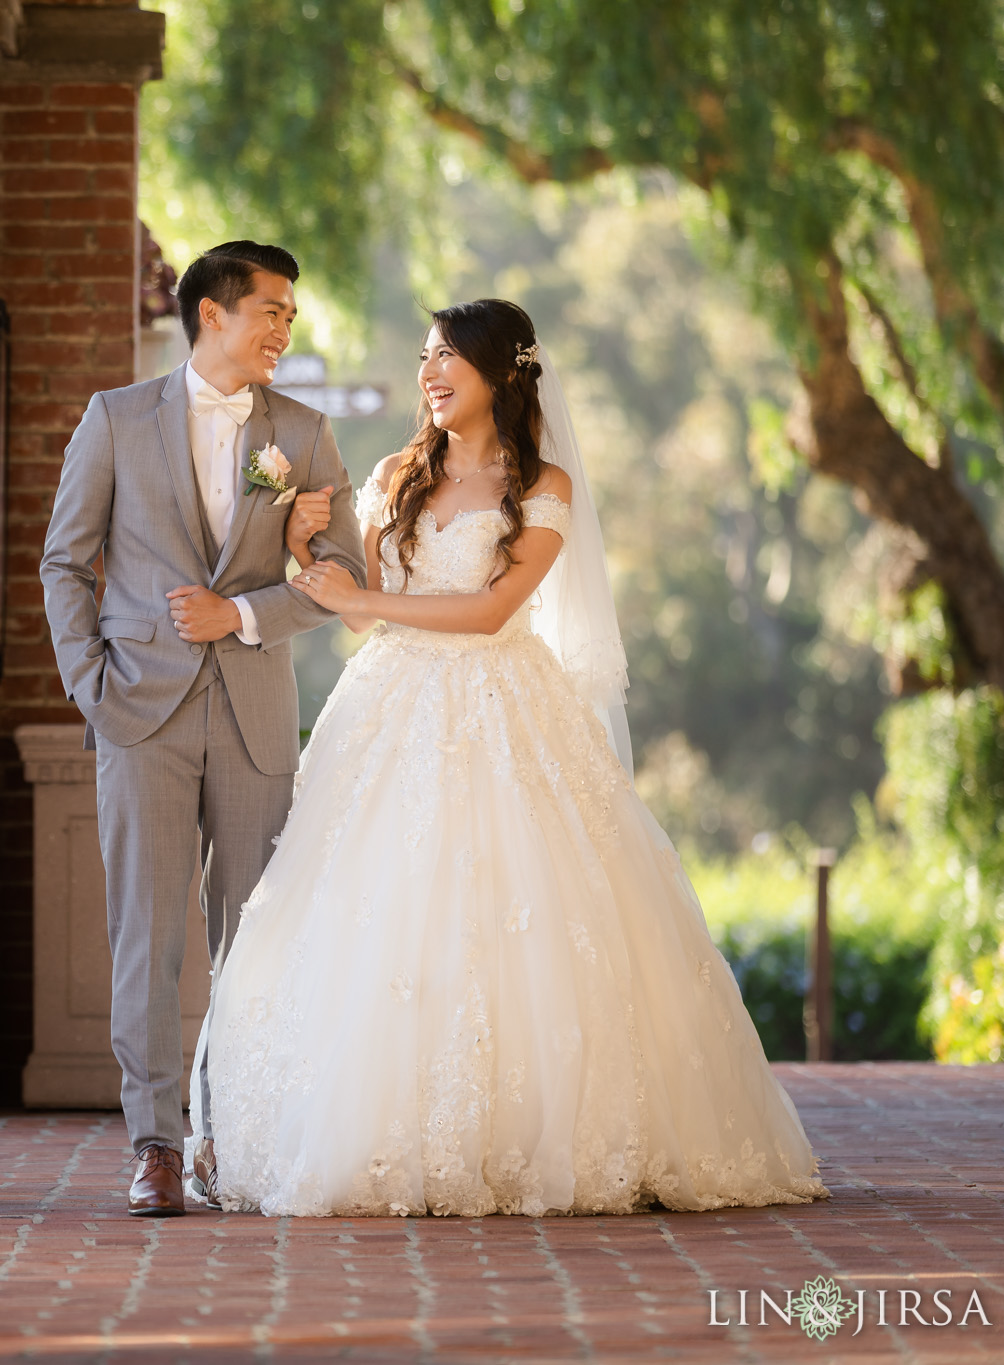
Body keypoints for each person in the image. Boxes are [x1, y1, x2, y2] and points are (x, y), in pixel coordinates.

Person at [200, 299, 829, 1217]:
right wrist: (310, 553)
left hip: (503, 704)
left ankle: (528, 1132)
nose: (429, 374)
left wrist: (368, 607)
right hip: (386, 716)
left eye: (448, 357)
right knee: (375, 912)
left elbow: (490, 611)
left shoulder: (543, 488)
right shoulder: (392, 475)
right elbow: (357, 590)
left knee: (520, 905)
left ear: (501, 372)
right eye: (424, 358)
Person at [39, 242, 368, 1216]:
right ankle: (153, 1143)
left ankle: (228, 1133)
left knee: (250, 936)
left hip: (256, 711)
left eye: (289, 317)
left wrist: (246, 614)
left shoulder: (303, 434)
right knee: (144, 934)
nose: (282, 329)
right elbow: (66, 560)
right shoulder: (113, 419)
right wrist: (88, 686)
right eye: (270, 311)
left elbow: (342, 578)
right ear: (212, 314)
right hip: (135, 708)